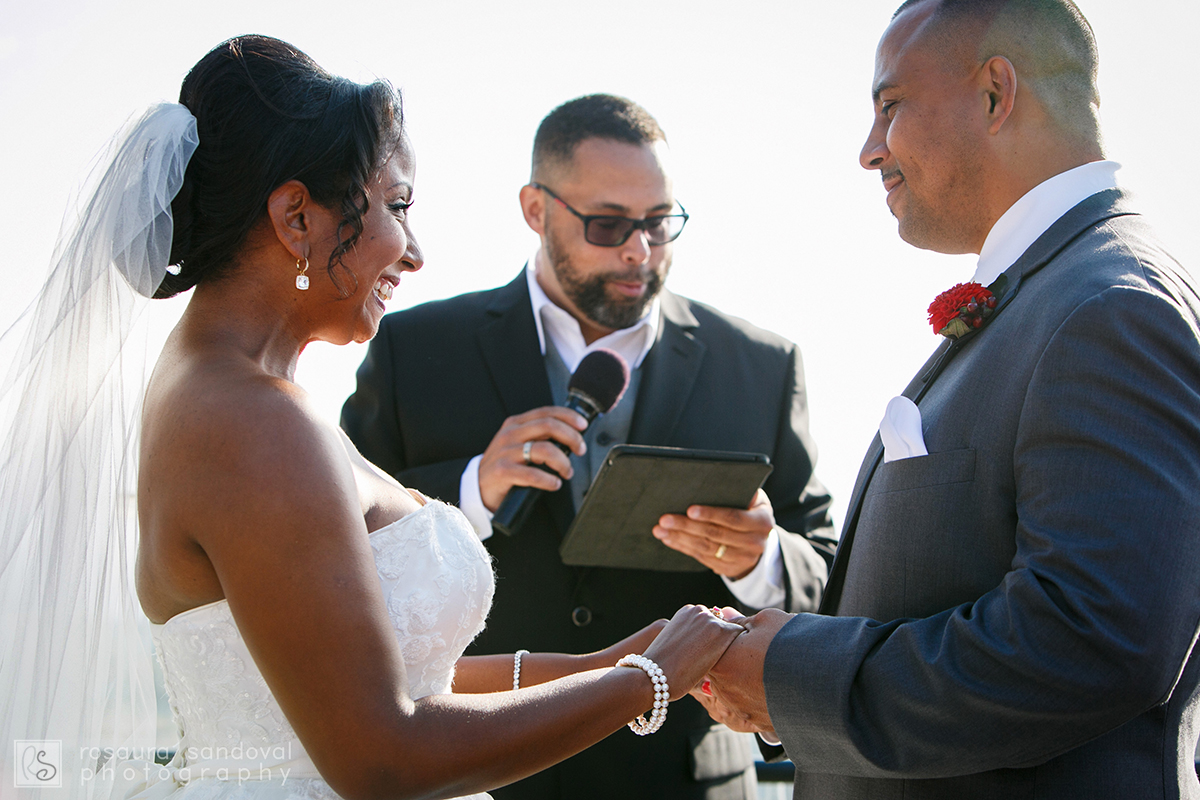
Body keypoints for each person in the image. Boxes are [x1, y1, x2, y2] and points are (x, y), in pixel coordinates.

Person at [0, 36, 748, 800]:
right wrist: (650, 681)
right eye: (397, 206)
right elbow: (383, 758)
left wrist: (616, 660)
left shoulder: (233, 395)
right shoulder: (250, 423)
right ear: (296, 218)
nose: (415, 253)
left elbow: (386, 673)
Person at [696, 1, 1200, 798]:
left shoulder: (1111, 308)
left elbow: (1090, 640)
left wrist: (794, 675)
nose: (869, 152)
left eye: (888, 106)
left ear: (997, 94)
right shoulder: (1054, 294)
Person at [340, 94, 837, 800]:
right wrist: (471, 490)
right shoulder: (412, 351)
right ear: (536, 210)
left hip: (686, 783)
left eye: (660, 224)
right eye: (608, 225)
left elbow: (829, 570)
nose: (641, 250)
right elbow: (337, 549)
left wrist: (763, 559)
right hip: (483, 773)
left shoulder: (762, 365)